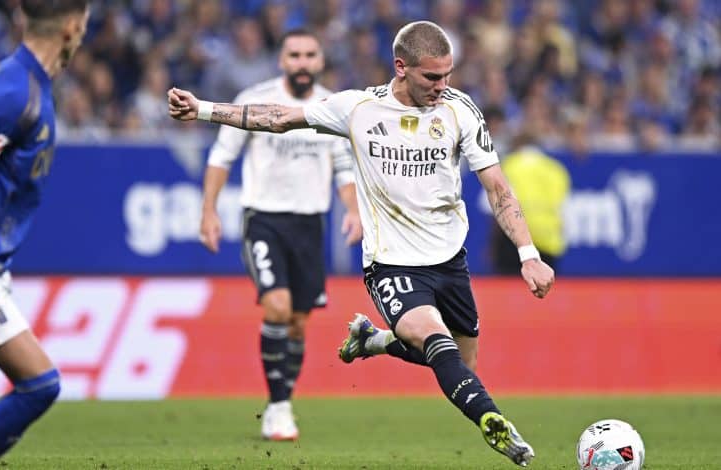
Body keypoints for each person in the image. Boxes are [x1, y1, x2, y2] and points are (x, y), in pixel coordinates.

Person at [168, 20, 554, 467]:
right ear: (401, 67)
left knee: (460, 364)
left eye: (448, 75)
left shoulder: (460, 109)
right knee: (435, 339)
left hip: (450, 261)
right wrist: (202, 110)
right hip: (391, 264)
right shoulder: (358, 108)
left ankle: (374, 342)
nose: (442, 86)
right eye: (432, 76)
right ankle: (496, 425)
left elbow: (498, 188)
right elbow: (278, 118)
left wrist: (529, 254)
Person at [0, 1, 89, 469]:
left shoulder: (30, 88)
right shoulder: (13, 93)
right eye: (84, 26)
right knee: (39, 384)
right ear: (71, 27)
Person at [199, 29, 361, 441]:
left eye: (310, 54)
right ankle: (278, 406)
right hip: (264, 220)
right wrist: (209, 211)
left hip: (310, 225)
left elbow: (344, 167)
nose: (302, 62)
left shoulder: (332, 107)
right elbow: (222, 156)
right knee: (277, 305)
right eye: (295, 55)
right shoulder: (255, 99)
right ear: (282, 60)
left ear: (321, 60)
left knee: (298, 322)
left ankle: (282, 401)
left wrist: (355, 210)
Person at [491, 132, 571, 274]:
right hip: (548, 241)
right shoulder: (556, 169)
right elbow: (565, 209)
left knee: (508, 292)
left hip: (515, 240)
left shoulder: (510, 164)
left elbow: (498, 205)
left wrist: (493, 245)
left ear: (517, 145)